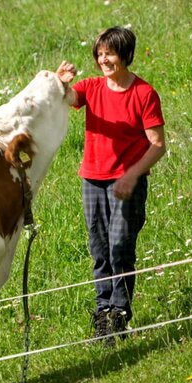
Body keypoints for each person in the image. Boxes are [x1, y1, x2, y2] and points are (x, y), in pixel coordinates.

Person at [56, 26, 166, 347]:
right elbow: (67, 97)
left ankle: (119, 313)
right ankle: (103, 313)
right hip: (92, 178)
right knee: (99, 249)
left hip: (126, 184)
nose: (103, 59)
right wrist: (58, 82)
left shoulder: (145, 94)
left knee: (120, 246)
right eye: (100, 54)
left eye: (110, 53)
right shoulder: (91, 88)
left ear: (126, 55)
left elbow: (157, 145)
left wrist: (132, 175)